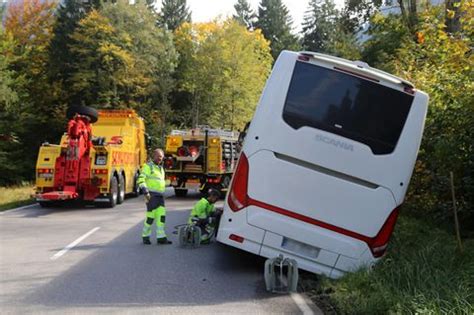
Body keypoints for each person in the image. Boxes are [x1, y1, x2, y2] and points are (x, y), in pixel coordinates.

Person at [137, 149, 172, 245]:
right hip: (151, 195)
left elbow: (161, 182)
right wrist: (145, 191)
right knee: (150, 218)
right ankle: (145, 236)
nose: (160, 158)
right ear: (154, 156)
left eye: (162, 157)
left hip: (160, 196)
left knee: (161, 217)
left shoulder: (161, 168)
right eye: (159, 156)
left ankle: (161, 237)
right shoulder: (148, 167)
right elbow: (141, 179)